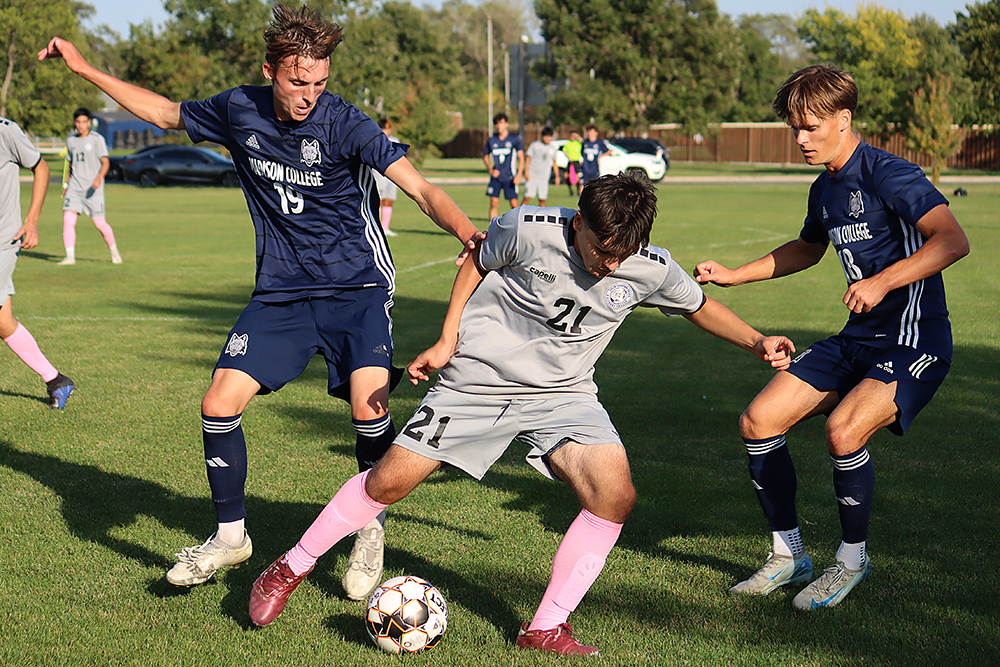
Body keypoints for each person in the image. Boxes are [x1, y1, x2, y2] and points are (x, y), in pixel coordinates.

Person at [246, 171, 795, 655]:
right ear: (579, 221)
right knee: (388, 483)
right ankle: (290, 566)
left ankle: (546, 627)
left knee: (615, 495)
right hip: (478, 381)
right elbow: (474, 264)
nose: (609, 265)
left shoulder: (646, 266)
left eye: (620, 256)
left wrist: (756, 342)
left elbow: (699, 307)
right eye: (601, 249)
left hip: (565, 395)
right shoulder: (525, 227)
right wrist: (446, 338)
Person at [40, 3, 480, 600]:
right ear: (270, 69)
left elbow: (424, 188)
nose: (309, 95)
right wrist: (87, 69)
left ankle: (370, 524)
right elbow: (167, 113)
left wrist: (469, 235)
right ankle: (230, 536)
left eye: (320, 83)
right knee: (219, 401)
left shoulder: (345, 123)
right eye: (299, 82)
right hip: (281, 292)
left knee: (366, 404)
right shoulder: (237, 108)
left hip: (356, 286)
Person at [694, 65, 969, 611]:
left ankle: (850, 560)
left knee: (844, 431)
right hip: (857, 338)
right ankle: (790, 555)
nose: (799, 139)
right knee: (758, 420)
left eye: (810, 127)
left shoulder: (891, 174)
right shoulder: (825, 188)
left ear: (844, 120)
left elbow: (952, 240)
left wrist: (882, 280)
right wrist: (734, 274)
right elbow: (807, 248)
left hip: (914, 342)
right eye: (794, 128)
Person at [0, 117, 76, 409]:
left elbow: (41, 167)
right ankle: (56, 380)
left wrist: (31, 221)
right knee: (4, 321)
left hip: (6, 237)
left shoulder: (6, 131)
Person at [59, 107, 122, 265]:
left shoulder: (97, 139)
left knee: (99, 224)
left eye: (84, 122)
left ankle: (114, 252)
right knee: (68, 219)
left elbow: (106, 162)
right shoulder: (71, 140)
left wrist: (99, 178)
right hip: (74, 188)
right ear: (75, 123)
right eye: (78, 122)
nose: (80, 125)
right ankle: (70, 257)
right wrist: (66, 184)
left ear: (89, 122)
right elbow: (70, 163)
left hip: (93, 189)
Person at [483, 112, 523, 221]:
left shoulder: (514, 139)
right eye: (497, 123)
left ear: (506, 124)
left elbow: (521, 158)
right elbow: (485, 156)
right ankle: (492, 229)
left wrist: (519, 175)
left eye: (501, 123)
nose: (499, 126)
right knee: (494, 203)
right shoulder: (492, 140)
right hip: (496, 177)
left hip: (509, 176)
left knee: (514, 204)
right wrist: (491, 170)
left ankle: (517, 225)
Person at [371, 117, 399, 237]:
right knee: (378, 200)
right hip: (379, 174)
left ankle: (385, 227)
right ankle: (375, 227)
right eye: (384, 128)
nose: (386, 131)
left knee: (389, 200)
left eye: (388, 129)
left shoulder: (395, 140)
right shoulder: (376, 140)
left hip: (392, 176)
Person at [520, 126, 560, 207]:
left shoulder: (552, 149)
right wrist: (526, 171)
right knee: (527, 197)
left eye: (549, 136)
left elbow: (554, 163)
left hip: (544, 178)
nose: (547, 138)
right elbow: (528, 158)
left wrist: (557, 176)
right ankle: (519, 214)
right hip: (533, 176)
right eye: (545, 136)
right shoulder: (535, 145)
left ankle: (543, 218)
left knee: (542, 199)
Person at [579, 125, 609, 191]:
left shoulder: (599, 142)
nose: (590, 134)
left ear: (596, 133)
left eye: (592, 132)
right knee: (581, 189)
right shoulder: (585, 142)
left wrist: (600, 157)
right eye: (589, 132)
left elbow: (609, 151)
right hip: (585, 169)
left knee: (593, 188)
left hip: (594, 169)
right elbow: (582, 153)